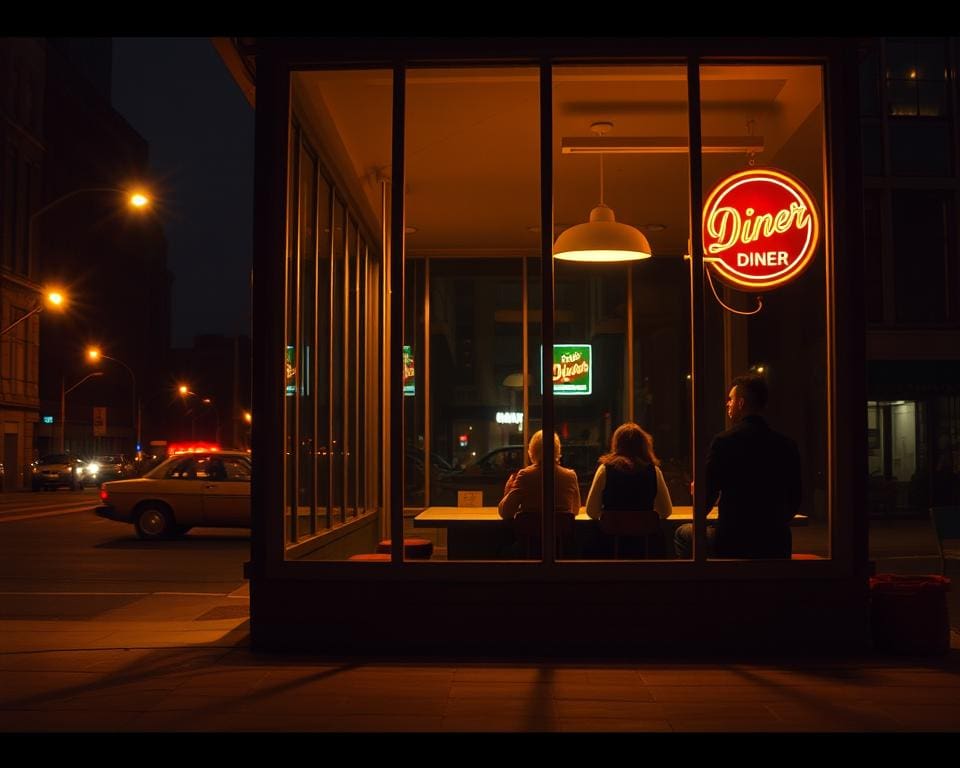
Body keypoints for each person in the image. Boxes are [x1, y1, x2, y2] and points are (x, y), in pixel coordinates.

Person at [674, 373, 801, 559]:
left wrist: (697, 494)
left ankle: (700, 585)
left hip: (733, 541)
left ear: (741, 403)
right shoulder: (786, 444)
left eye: (731, 399)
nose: (727, 404)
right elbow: (795, 498)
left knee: (683, 533)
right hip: (777, 542)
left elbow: (706, 498)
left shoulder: (724, 442)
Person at [584, 423, 673, 556]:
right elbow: (666, 511)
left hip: (610, 549)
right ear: (644, 445)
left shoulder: (605, 470)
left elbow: (591, 511)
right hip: (645, 550)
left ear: (616, 444)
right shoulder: (653, 471)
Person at [498, 430, 581, 520]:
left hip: (529, 533)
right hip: (561, 533)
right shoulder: (570, 476)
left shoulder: (525, 475)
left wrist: (508, 491)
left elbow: (505, 512)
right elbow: (575, 510)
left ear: (532, 451)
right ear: (557, 450)